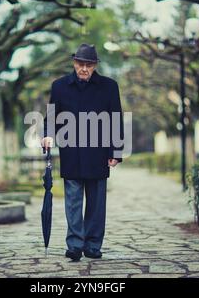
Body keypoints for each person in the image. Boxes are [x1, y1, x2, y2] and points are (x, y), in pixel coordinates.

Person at [41, 43, 124, 261]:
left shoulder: (109, 86)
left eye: (88, 65)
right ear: (74, 63)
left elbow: (116, 120)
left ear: (95, 65)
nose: (84, 68)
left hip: (99, 154)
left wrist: (116, 150)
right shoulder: (59, 86)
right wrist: (48, 134)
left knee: (97, 205)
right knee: (73, 202)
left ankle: (93, 245)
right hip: (71, 153)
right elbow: (51, 117)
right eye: (80, 64)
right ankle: (75, 245)